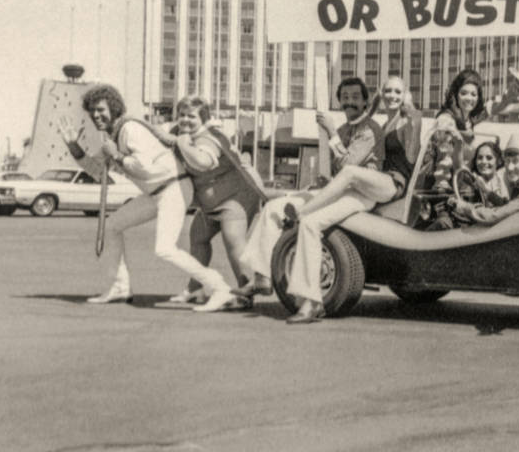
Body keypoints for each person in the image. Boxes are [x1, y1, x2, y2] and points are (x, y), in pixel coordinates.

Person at [56, 84, 236, 312]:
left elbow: (145, 167)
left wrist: (117, 156)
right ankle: (120, 287)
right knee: (112, 226)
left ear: (113, 108)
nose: (96, 115)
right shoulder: (113, 136)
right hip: (156, 192)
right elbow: (96, 171)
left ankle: (220, 288)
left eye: (101, 109)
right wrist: (74, 147)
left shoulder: (130, 129)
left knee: (164, 249)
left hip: (173, 188)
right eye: (92, 111)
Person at [232, 77, 381, 322]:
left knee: (310, 223)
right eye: (345, 97)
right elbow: (335, 173)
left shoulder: (370, 130)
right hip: (337, 191)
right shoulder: (345, 129)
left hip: (360, 194)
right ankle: (262, 277)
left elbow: (349, 166)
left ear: (365, 101)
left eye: (356, 97)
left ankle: (311, 301)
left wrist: (331, 133)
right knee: (272, 208)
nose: (350, 102)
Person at [283, 76, 423, 324]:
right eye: (388, 91)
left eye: (398, 92)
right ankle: (311, 302)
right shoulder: (384, 121)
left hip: (392, 184)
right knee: (311, 225)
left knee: (348, 173)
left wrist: (409, 105)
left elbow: (413, 127)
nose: (392, 95)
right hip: (367, 194)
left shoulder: (407, 120)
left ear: (405, 95)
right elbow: (368, 112)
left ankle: (304, 209)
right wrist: (377, 100)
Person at [161, 96, 266, 307]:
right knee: (198, 237)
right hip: (210, 203)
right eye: (181, 115)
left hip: (235, 197)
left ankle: (245, 294)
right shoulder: (179, 134)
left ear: (203, 118)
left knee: (233, 239)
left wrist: (183, 145)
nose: (185, 120)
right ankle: (195, 289)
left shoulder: (209, 137)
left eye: (191, 116)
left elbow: (203, 161)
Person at [451, 134, 519, 226]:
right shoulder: (518, 187)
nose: (510, 167)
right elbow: (507, 205)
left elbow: (494, 216)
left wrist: (465, 207)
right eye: (507, 161)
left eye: (515, 161)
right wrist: (488, 192)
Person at [470, 140, 510, 205]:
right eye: (480, 158)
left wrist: (484, 189)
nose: (483, 162)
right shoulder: (473, 179)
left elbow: (506, 207)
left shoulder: (505, 178)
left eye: (489, 158)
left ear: (499, 161)